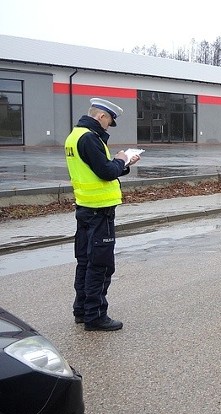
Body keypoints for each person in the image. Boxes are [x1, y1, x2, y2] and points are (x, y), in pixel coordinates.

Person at [64, 98, 140, 331]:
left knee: (85, 262)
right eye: (108, 122)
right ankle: (95, 316)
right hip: (99, 211)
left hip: (85, 207)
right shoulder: (89, 138)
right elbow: (106, 171)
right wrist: (121, 159)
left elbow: (95, 171)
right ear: (101, 117)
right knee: (100, 265)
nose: (108, 127)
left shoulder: (74, 136)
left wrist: (124, 165)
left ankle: (81, 310)